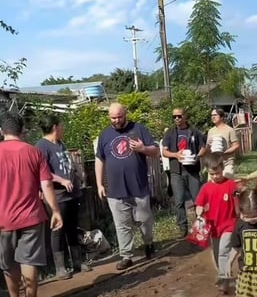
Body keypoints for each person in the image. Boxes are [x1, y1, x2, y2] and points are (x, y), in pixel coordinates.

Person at [0, 112, 63, 297]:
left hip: (3, 219)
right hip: (31, 216)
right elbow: (47, 185)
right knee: (29, 260)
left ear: (2, 131)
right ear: (23, 130)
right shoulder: (33, 152)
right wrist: (55, 211)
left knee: (8, 262)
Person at [95, 103, 159, 270]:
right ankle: (126, 256)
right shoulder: (105, 135)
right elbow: (99, 159)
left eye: (119, 117)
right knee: (121, 225)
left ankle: (149, 244)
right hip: (115, 190)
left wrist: (143, 148)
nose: (116, 121)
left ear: (126, 114)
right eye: (113, 118)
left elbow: (155, 151)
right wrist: (99, 184)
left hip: (138, 186)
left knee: (144, 220)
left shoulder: (139, 129)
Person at [35, 114, 89, 279]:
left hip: (71, 193)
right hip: (57, 195)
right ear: (54, 127)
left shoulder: (60, 143)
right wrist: (62, 180)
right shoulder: (41, 147)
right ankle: (60, 267)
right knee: (58, 229)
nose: (63, 128)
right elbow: (42, 172)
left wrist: (77, 176)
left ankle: (77, 261)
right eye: (61, 125)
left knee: (73, 227)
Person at [194, 153, 239, 294]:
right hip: (213, 227)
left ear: (222, 168)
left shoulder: (230, 185)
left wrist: (241, 216)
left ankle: (224, 280)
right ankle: (223, 273)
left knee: (223, 252)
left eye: (217, 173)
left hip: (229, 225)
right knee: (216, 253)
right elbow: (199, 205)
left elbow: (237, 204)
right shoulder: (206, 188)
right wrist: (199, 211)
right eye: (212, 174)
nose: (215, 176)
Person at [161, 107, 207, 237]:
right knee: (179, 201)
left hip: (192, 170)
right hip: (177, 171)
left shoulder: (194, 131)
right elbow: (164, 152)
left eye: (179, 116)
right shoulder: (170, 132)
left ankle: (201, 226)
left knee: (198, 199)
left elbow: (203, 147)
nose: (177, 119)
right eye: (174, 117)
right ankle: (183, 227)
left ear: (185, 116)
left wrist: (197, 157)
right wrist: (175, 155)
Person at [206, 107, 240, 179]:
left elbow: (236, 145)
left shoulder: (229, 130)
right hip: (214, 164)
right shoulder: (211, 131)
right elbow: (208, 149)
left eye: (215, 115)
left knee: (226, 187)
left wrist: (225, 153)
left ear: (221, 117)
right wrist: (208, 144)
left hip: (227, 164)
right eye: (212, 115)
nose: (213, 117)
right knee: (213, 188)